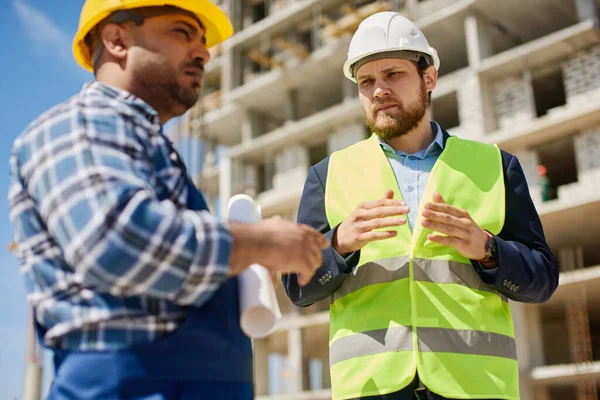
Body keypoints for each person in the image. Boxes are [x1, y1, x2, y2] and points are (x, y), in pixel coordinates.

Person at [8, 1, 329, 399]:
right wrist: (261, 242)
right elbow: (116, 241)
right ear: (116, 39)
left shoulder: (149, 150)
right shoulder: (76, 126)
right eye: (182, 32)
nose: (203, 52)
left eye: (203, 41)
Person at [282, 11, 559, 400]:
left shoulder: (496, 166)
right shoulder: (328, 176)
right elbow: (297, 287)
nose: (378, 90)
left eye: (393, 74)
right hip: (372, 388)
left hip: (475, 386)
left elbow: (542, 280)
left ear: (428, 78)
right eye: (366, 81)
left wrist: (488, 250)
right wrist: (339, 244)